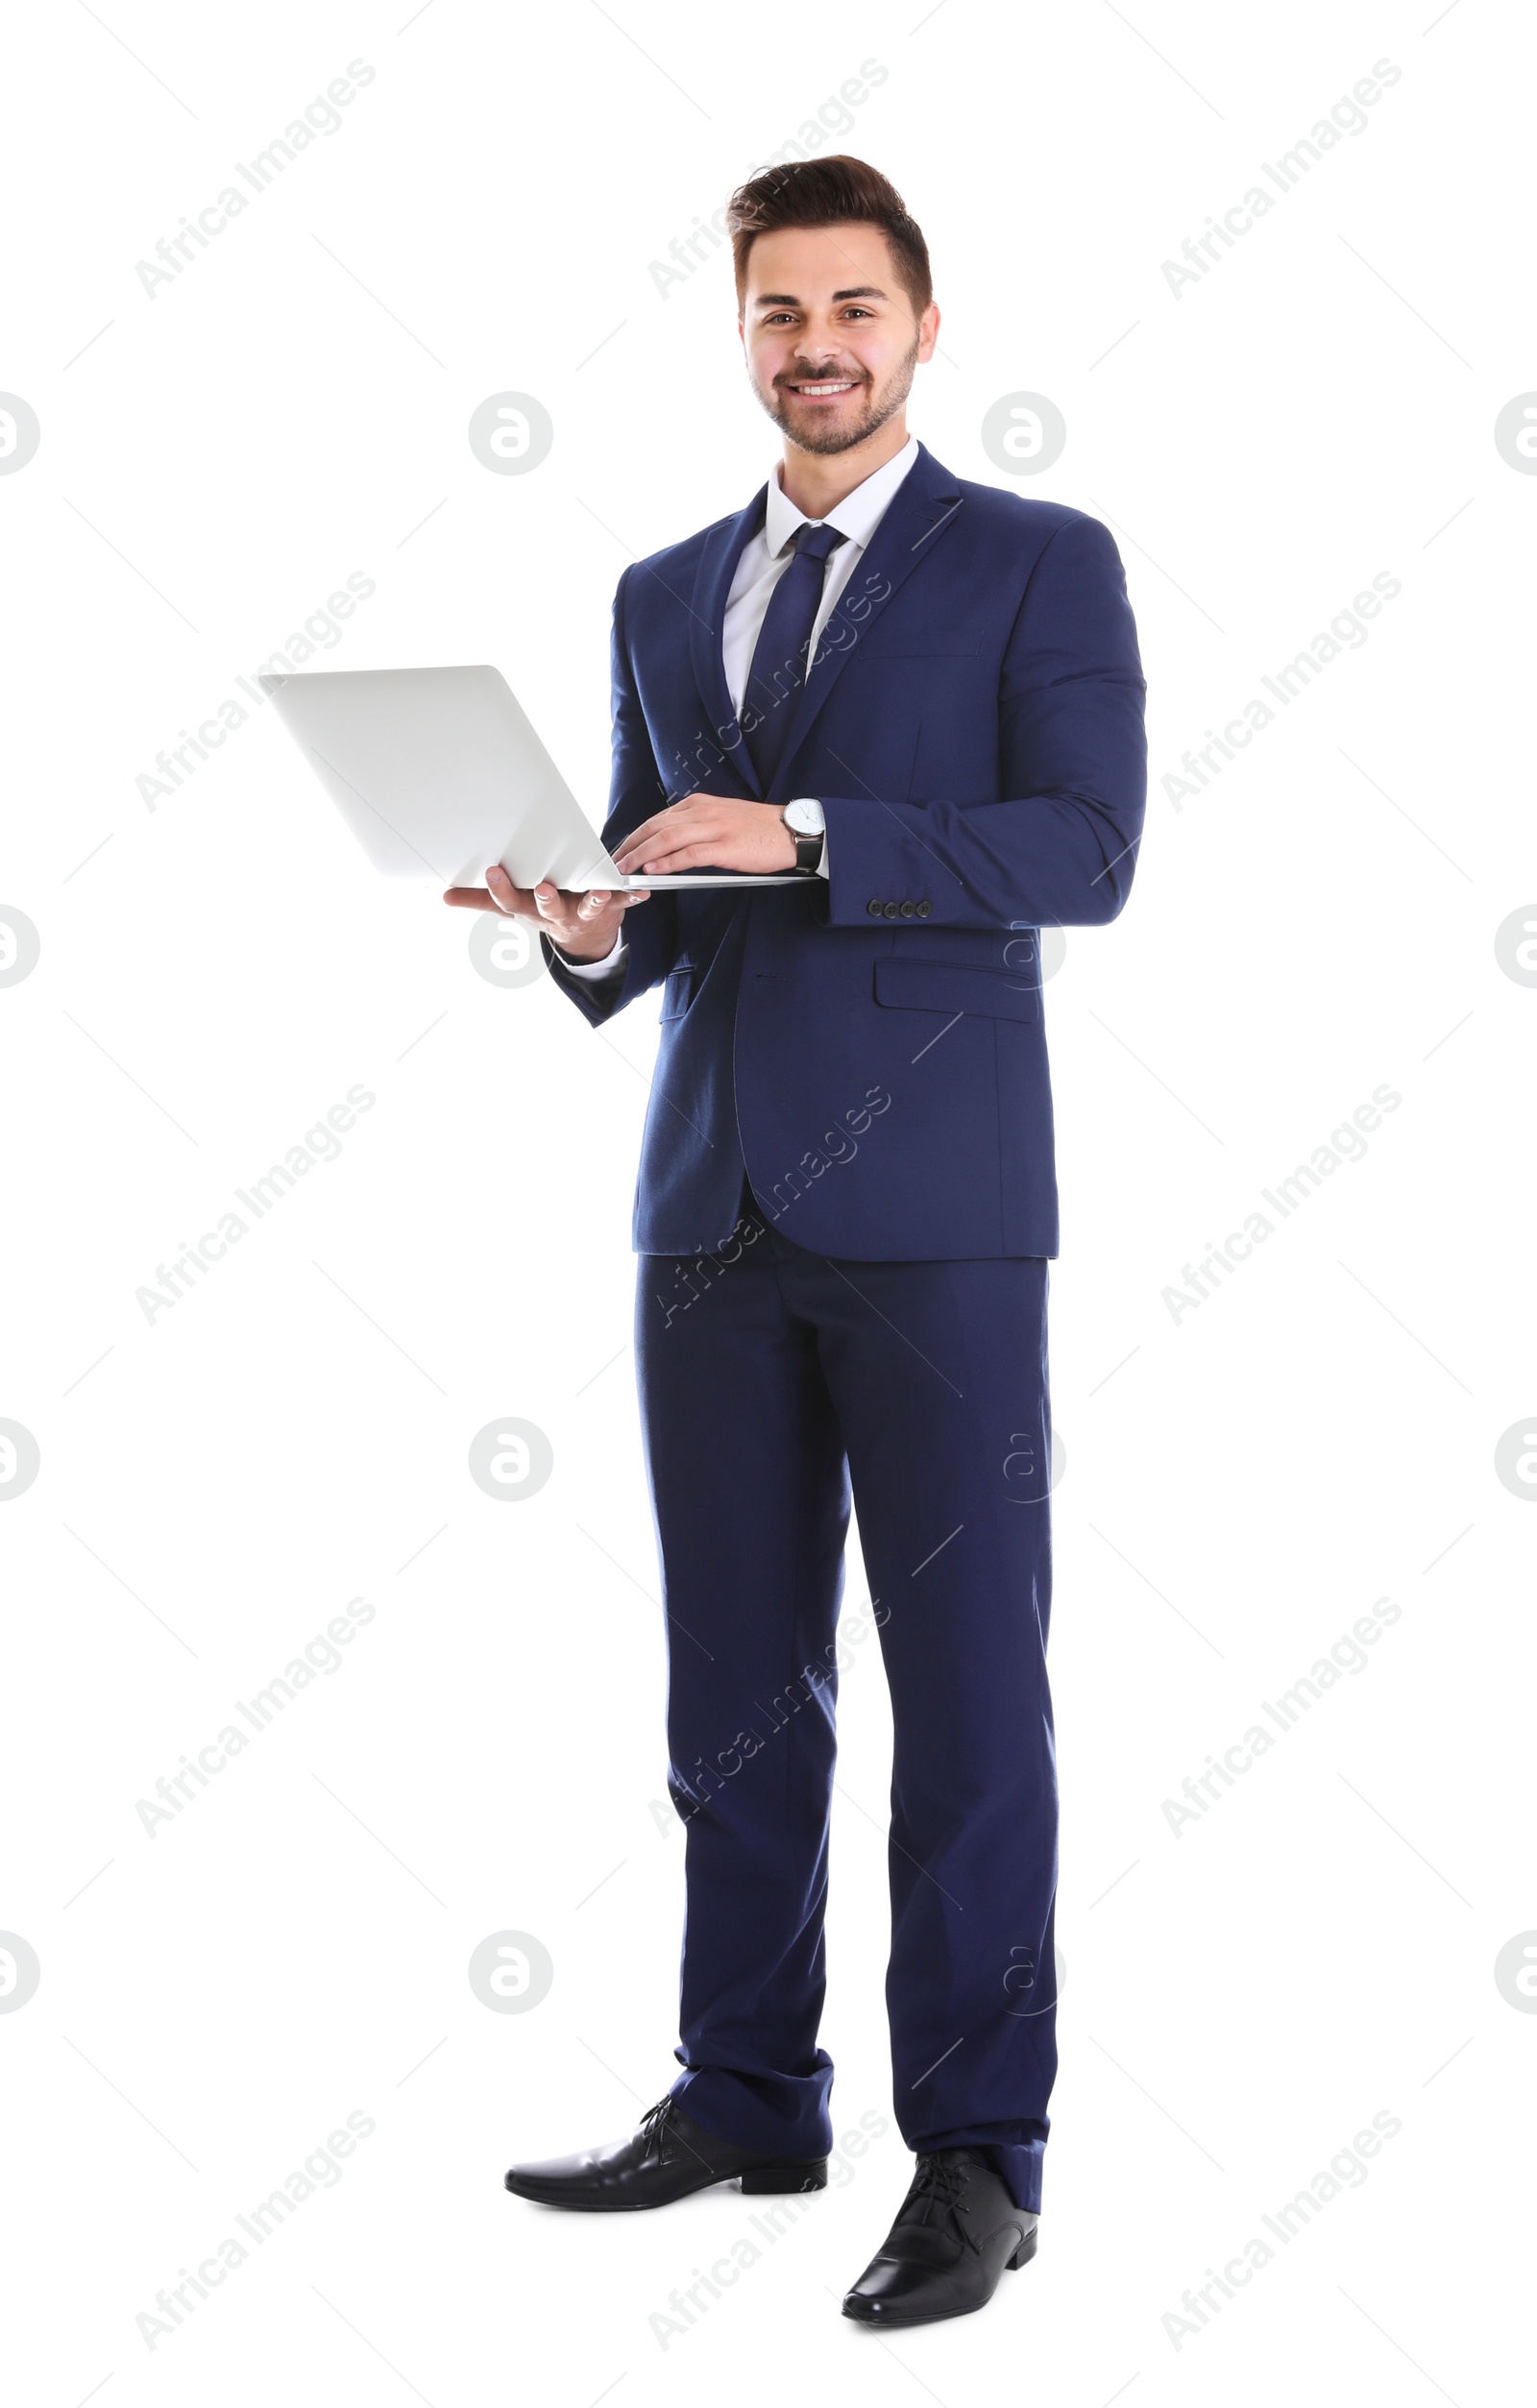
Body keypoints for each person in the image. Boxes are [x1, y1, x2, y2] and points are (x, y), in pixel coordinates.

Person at [444, 155, 1146, 2326]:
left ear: (921, 329)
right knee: (733, 1695)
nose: (813, 346)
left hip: (939, 1219)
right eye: (775, 311)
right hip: (709, 1212)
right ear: (736, 332)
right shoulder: (666, 589)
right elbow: (681, 893)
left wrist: (818, 826)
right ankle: (746, 2087)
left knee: (963, 1704)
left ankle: (976, 2151)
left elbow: (1084, 849)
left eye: (852, 308)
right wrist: (588, 919)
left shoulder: (1036, 562)